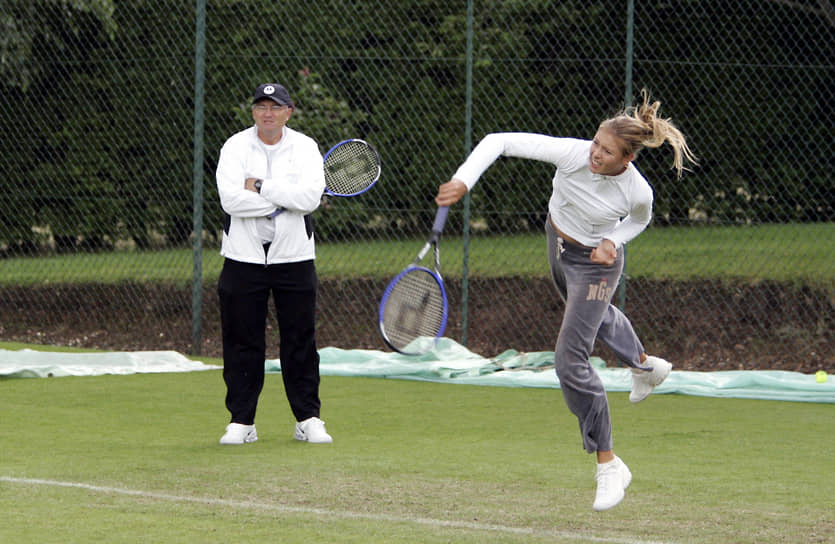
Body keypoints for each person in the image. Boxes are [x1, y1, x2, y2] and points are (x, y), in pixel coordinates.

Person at [435, 89, 696, 511]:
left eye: (607, 152)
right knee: (596, 315)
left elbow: (640, 220)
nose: (595, 154)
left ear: (626, 159)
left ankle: (609, 463)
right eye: (595, 143)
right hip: (557, 243)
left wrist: (613, 240)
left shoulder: (637, 190)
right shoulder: (573, 154)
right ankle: (646, 366)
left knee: (569, 359)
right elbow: (499, 140)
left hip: (597, 264)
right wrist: (465, 178)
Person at [214, 82, 333, 445]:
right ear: (253, 111)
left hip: (294, 257)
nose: (268, 112)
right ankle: (242, 422)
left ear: (288, 111)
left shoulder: (306, 147)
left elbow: (310, 197)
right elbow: (231, 201)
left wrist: (262, 187)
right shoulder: (235, 146)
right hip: (242, 257)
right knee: (241, 341)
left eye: (275, 106)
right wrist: (286, 198)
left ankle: (307, 419)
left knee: (299, 340)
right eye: (261, 106)